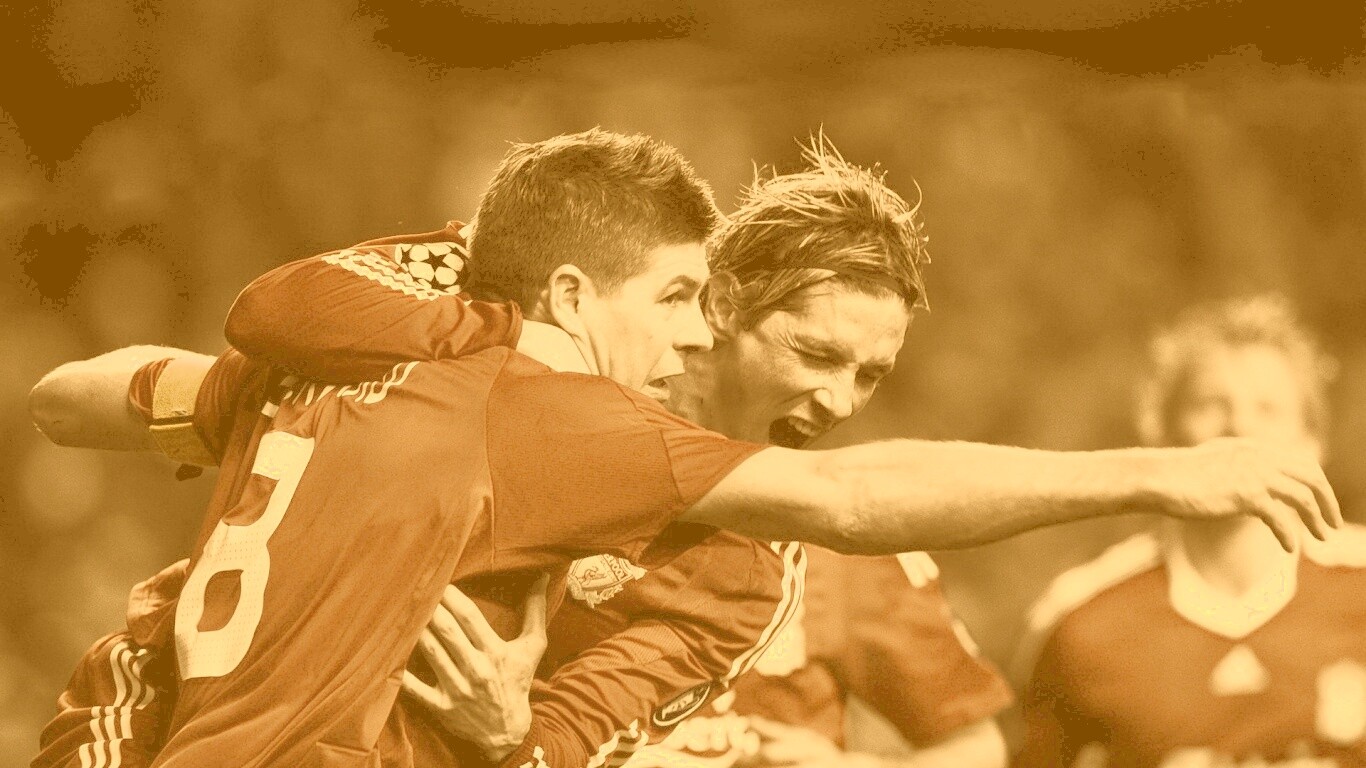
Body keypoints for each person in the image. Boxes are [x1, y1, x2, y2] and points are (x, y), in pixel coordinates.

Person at [29, 127, 1338, 767]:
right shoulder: (539, 397)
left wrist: (511, 738)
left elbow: (120, 385)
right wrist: (1151, 475)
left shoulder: (740, 568)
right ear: (715, 305)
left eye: (871, 376)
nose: (839, 398)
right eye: (813, 352)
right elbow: (847, 495)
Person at [1011, 294, 1366, 768]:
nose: (1240, 425)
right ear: (1162, 434)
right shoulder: (1080, 621)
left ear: (1312, 442)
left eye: (1268, 408)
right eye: (1211, 404)